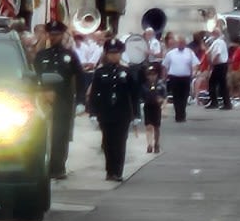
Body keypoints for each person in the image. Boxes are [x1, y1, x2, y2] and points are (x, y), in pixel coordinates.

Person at [33, 20, 83, 180]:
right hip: (43, 102)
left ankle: (58, 167)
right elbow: (34, 78)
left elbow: (80, 79)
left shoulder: (70, 56)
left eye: (57, 34)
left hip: (63, 101)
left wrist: (81, 101)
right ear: (47, 35)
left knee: (61, 134)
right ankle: (44, 165)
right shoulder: (41, 56)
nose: (54, 37)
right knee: (42, 134)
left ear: (62, 35)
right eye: (51, 34)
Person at [89, 39, 141, 182]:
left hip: (122, 112)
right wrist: (92, 113)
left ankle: (117, 171)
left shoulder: (127, 72)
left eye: (116, 53)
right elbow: (94, 93)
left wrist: (136, 114)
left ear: (120, 54)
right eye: (111, 53)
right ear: (106, 54)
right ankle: (109, 170)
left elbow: (134, 95)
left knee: (120, 142)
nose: (113, 56)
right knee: (107, 142)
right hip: (105, 112)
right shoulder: (100, 72)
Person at [162, 35, 199, 122]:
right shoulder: (171, 53)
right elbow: (165, 65)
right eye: (179, 43)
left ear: (185, 44)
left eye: (182, 43)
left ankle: (182, 113)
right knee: (176, 97)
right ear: (177, 44)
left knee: (184, 96)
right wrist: (164, 76)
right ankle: (178, 115)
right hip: (174, 78)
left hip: (185, 77)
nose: (180, 44)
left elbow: (195, 64)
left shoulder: (189, 52)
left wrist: (194, 71)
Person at [141, 65, 166, 153]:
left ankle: (157, 143)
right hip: (148, 106)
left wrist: (163, 105)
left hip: (157, 107)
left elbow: (164, 96)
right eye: (150, 74)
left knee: (156, 127)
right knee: (148, 126)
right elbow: (142, 96)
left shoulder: (160, 84)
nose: (152, 76)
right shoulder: (144, 85)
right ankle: (149, 144)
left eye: (154, 74)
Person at [205, 28, 230, 110]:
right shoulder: (219, 42)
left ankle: (215, 102)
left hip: (219, 65)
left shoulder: (219, 42)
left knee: (213, 83)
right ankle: (226, 103)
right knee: (222, 84)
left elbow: (217, 53)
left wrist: (213, 63)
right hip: (221, 65)